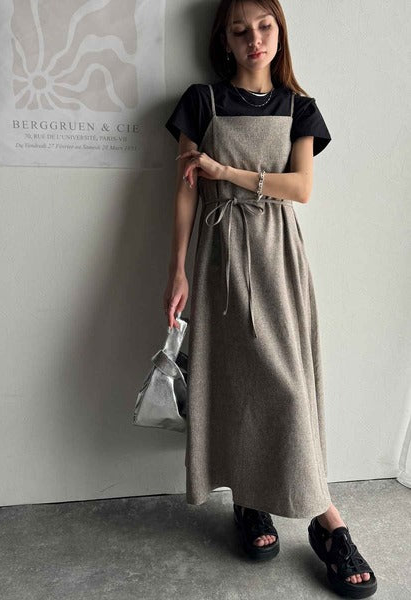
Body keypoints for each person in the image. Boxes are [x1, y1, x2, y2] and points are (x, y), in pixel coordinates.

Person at [163, 1, 377, 597]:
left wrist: (226, 172)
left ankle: (326, 520)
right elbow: (184, 192)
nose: (254, 39)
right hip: (220, 258)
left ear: (279, 32)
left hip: (279, 258)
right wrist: (176, 270)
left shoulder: (299, 107)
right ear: (224, 41)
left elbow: (301, 188)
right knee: (234, 381)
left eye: (264, 26)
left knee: (288, 386)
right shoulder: (201, 102)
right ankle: (249, 501)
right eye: (240, 30)